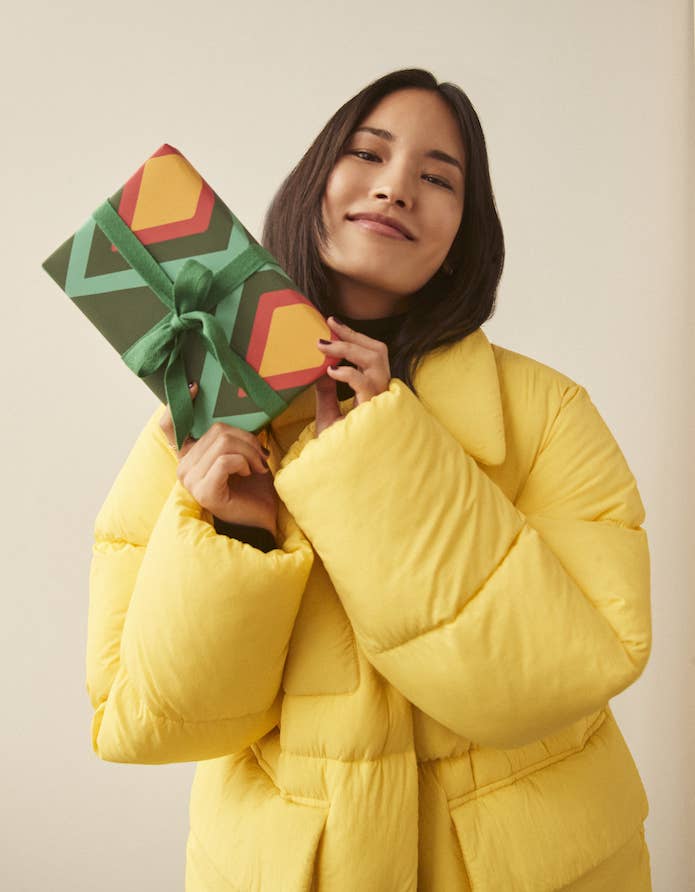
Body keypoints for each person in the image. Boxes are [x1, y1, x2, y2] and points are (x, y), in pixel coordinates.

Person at [86, 68, 653, 891]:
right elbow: (148, 721)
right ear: (316, 181)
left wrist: (381, 452)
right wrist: (234, 535)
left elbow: (554, 681)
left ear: (465, 232)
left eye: (436, 178)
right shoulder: (196, 424)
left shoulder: (546, 413)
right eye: (368, 154)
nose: (395, 189)